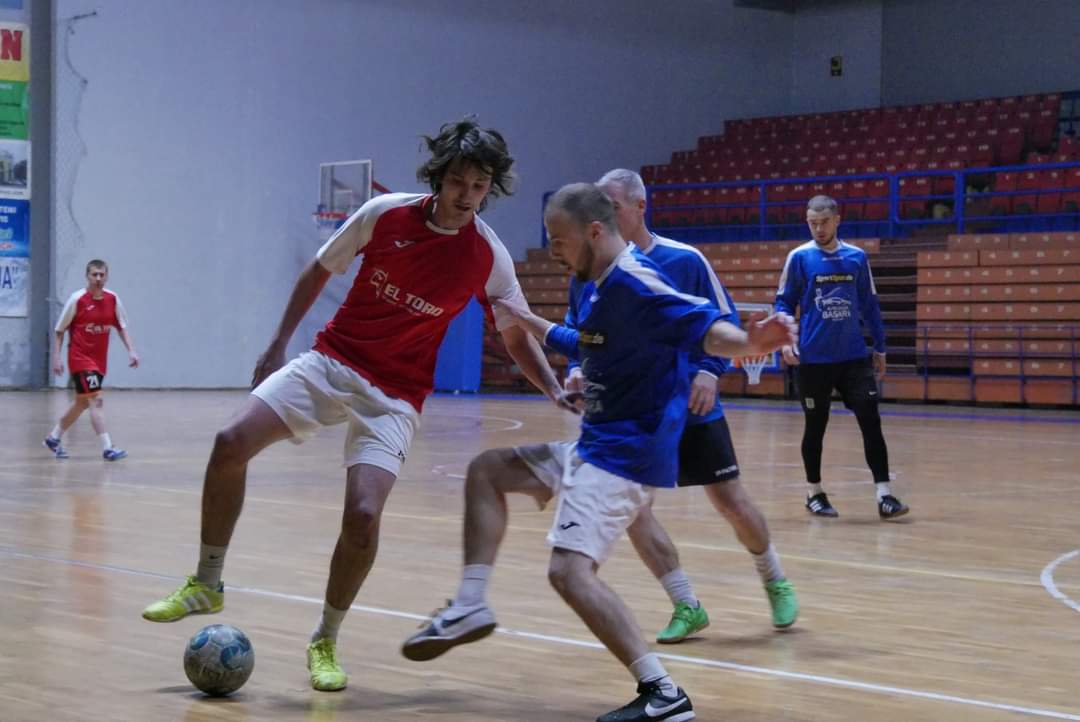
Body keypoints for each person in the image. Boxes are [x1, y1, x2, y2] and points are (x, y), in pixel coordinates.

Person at [142, 119, 572, 692]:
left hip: (395, 395)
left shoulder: (487, 256)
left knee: (364, 516)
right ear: (439, 178)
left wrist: (552, 389)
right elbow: (319, 270)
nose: (467, 195)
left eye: (479, 185)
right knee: (229, 443)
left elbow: (514, 331)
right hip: (333, 362)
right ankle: (206, 581)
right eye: (458, 181)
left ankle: (325, 638)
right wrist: (278, 343)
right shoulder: (384, 214)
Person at [401, 183, 796, 722]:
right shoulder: (593, 283)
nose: (553, 251)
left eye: (558, 240)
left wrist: (752, 343)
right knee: (488, 470)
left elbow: (705, 329)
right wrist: (528, 319)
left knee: (569, 573)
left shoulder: (637, 282)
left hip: (625, 458)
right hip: (596, 446)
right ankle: (470, 604)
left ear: (593, 232)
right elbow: (586, 341)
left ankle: (662, 693)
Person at [593, 169, 797, 641]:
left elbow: (724, 321)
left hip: (692, 406)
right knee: (634, 510)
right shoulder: (596, 269)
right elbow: (586, 332)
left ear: (640, 206)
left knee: (731, 502)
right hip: (634, 414)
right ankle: (686, 603)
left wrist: (709, 371)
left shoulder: (684, 260)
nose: (604, 216)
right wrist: (580, 369)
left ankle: (775, 580)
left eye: (613, 206)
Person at [775, 195, 909, 519]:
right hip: (813, 361)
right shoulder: (799, 257)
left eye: (824, 222)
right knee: (815, 425)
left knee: (871, 419)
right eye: (813, 223)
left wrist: (880, 347)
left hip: (853, 359)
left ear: (837, 220)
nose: (819, 229)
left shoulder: (856, 257)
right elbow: (783, 303)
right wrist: (786, 340)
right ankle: (814, 493)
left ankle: (885, 495)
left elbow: (870, 305)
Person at [44, 259, 139, 461]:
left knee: (81, 403)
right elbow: (59, 330)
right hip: (80, 359)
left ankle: (53, 438)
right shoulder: (77, 299)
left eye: (101, 274)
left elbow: (121, 326)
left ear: (107, 276)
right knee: (96, 400)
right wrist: (56, 357)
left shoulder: (113, 299)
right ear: (87, 276)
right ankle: (108, 448)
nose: (98, 278)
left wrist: (131, 351)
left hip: (99, 361)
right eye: (94, 274)